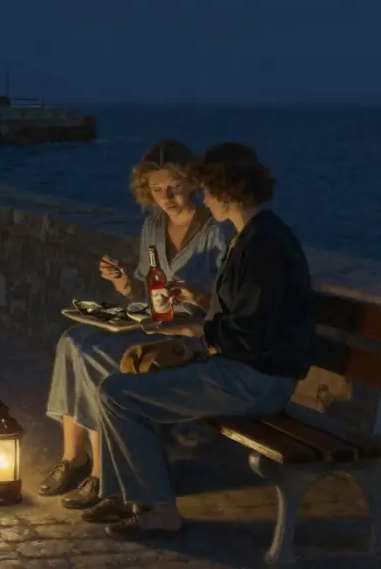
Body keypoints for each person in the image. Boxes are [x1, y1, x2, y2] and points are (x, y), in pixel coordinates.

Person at [94, 142, 316, 540]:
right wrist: (198, 299)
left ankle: (158, 511)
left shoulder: (262, 245)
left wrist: (190, 330)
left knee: (117, 394)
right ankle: (127, 497)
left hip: (253, 381)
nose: (205, 199)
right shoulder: (253, 236)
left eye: (208, 191)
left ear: (228, 192)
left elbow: (248, 333)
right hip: (241, 370)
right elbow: (246, 311)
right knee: (124, 381)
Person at [39, 139, 234, 520]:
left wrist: (198, 295)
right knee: (71, 341)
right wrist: (124, 284)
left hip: (188, 336)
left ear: (192, 182)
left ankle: (101, 472)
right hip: (152, 322)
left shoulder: (216, 232)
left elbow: (227, 301)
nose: (167, 196)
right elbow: (147, 290)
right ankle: (73, 456)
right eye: (158, 189)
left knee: (95, 353)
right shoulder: (153, 226)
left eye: (174, 186)